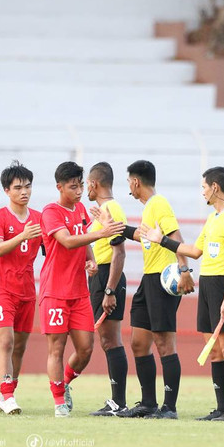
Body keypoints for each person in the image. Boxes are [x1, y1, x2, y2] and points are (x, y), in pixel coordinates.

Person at [140, 166, 224, 421]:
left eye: (203, 187)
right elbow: (196, 251)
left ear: (215, 187)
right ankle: (221, 409)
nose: (202, 193)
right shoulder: (212, 219)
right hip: (207, 286)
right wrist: (162, 239)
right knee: (215, 350)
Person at [40, 161, 124, 417]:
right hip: (54, 290)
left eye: (80, 185)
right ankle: (58, 403)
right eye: (73, 187)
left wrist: (90, 258)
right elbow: (66, 241)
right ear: (60, 187)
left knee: (86, 347)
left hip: (79, 292)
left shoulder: (81, 211)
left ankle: (64, 383)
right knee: (57, 347)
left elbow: (82, 236)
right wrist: (101, 235)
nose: (78, 191)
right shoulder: (51, 211)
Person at [112, 160, 194, 419]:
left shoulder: (159, 204)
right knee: (138, 343)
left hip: (162, 282)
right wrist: (116, 227)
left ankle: (169, 407)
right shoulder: (149, 208)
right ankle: (148, 403)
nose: (129, 189)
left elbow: (177, 239)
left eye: (129, 183)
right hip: (148, 281)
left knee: (164, 343)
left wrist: (184, 271)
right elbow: (142, 235)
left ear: (136, 182)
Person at [0, 161, 42, 414]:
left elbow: (54, 248)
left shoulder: (40, 218)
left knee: (19, 345)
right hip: (1, 289)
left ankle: (6, 394)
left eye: (28, 186)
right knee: (6, 341)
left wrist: (87, 261)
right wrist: (22, 235)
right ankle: (8, 396)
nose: (24, 192)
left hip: (28, 291)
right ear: (6, 191)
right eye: (18, 187)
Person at [85, 162, 129, 416]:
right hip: (100, 277)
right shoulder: (104, 210)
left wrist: (110, 290)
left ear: (94, 184)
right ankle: (117, 401)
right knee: (107, 340)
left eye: (87, 184)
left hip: (107, 279)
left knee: (111, 340)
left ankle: (118, 402)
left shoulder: (112, 209)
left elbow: (119, 253)